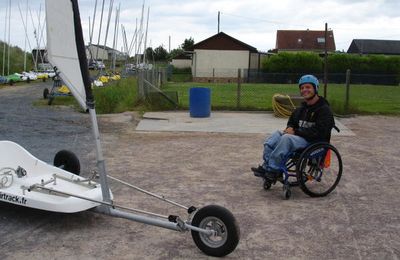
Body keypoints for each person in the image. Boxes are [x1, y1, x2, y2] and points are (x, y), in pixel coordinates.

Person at [251, 74, 335, 182]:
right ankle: (267, 167)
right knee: (275, 136)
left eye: (308, 87)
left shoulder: (324, 110)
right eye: (302, 88)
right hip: (299, 138)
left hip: (313, 142)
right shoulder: (301, 108)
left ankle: (273, 170)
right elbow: (292, 122)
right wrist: (290, 128)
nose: (305, 90)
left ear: (315, 88)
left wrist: (295, 132)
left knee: (286, 139)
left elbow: (319, 132)